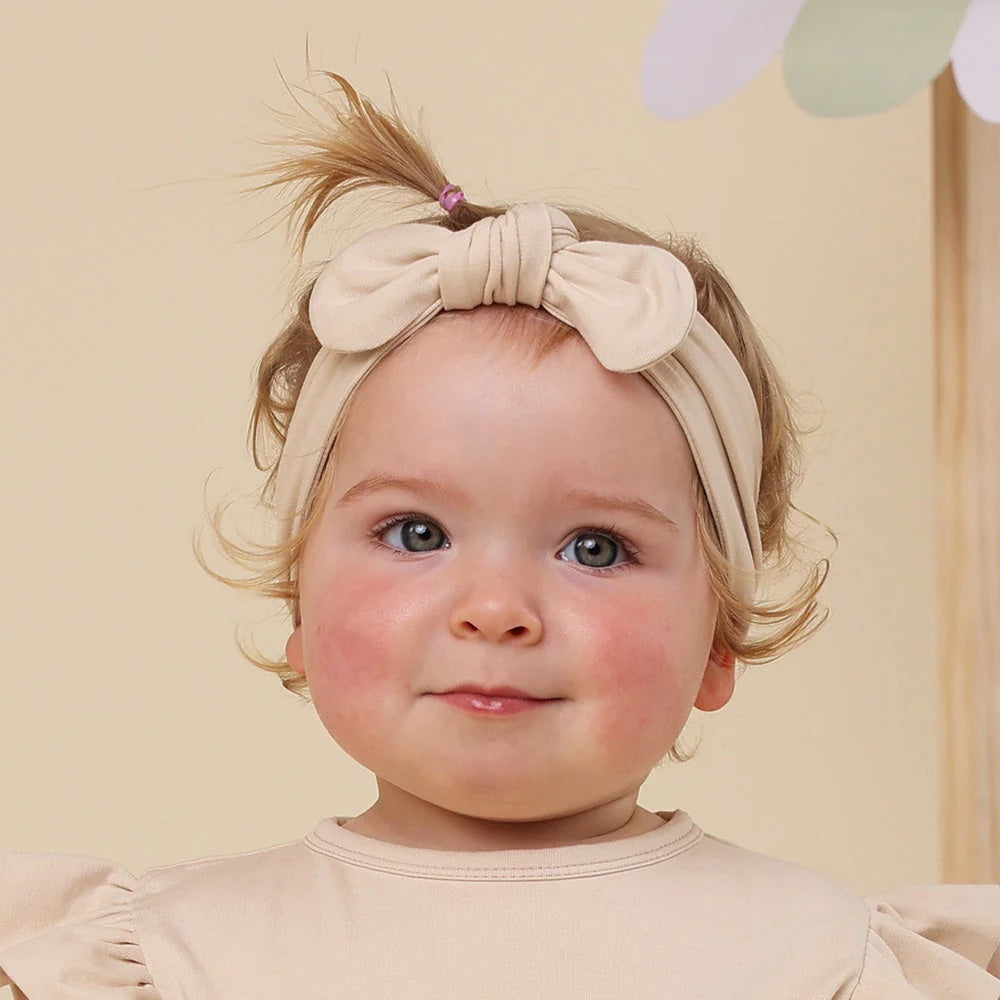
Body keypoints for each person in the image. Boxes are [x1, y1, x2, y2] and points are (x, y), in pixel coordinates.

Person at [2, 72, 997, 999]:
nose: (495, 611)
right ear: (297, 601)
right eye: (415, 529)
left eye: (595, 548)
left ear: (719, 636)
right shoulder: (164, 958)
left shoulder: (824, 962)